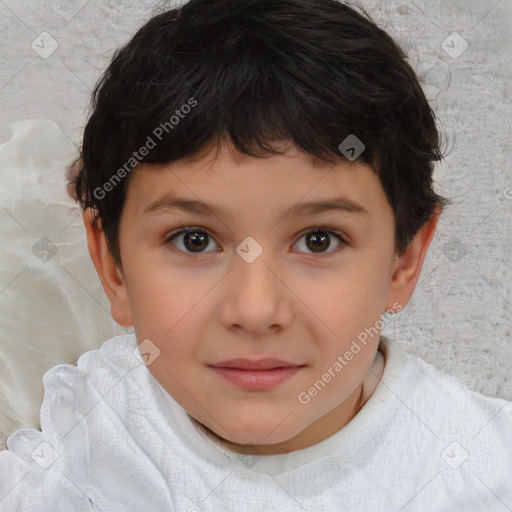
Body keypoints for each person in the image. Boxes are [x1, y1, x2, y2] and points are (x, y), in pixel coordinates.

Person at [1, 0, 511, 510]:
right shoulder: (79, 446)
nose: (255, 310)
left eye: (319, 240)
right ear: (113, 267)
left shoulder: (482, 475)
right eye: (194, 240)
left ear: (404, 260)